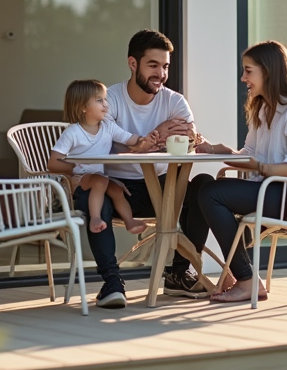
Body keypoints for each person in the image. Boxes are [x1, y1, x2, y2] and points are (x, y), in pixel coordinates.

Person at [73, 29, 203, 308]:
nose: (161, 74)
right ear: (133, 64)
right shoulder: (110, 100)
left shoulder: (174, 101)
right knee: (95, 197)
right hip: (119, 188)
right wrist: (157, 135)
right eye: (153, 65)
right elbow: (100, 148)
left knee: (203, 190)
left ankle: (179, 273)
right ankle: (112, 283)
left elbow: (190, 138)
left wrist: (184, 137)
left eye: (165, 66)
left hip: (163, 187)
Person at [190, 40, 287, 304]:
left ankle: (245, 279)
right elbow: (250, 155)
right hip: (274, 189)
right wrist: (217, 150)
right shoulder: (264, 108)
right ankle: (188, 272)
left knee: (212, 194)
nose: (243, 78)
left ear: (268, 71)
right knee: (200, 185)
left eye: (248, 70)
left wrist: (259, 167)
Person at [47, 79, 156, 235]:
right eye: (99, 100)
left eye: (105, 100)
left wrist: (144, 140)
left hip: (98, 176)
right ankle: (95, 218)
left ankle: (129, 221)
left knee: (116, 189)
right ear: (83, 107)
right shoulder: (72, 133)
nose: (106, 105)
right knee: (101, 181)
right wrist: (74, 167)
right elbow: (52, 163)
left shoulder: (108, 126)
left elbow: (129, 138)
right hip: (78, 179)